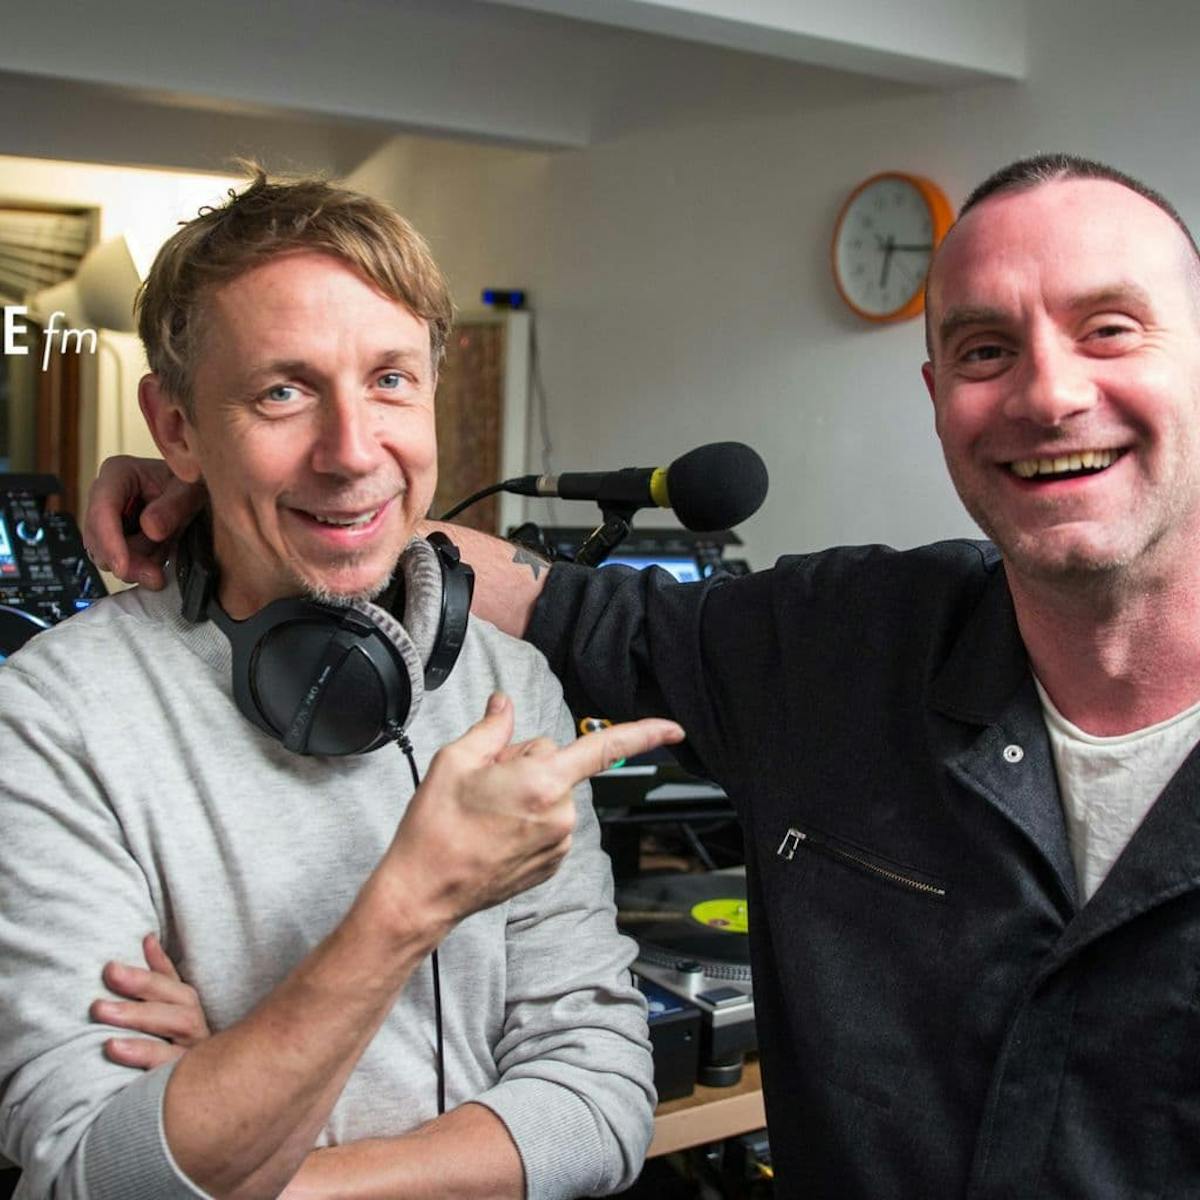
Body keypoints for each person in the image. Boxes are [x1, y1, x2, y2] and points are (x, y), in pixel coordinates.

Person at [84, 152, 1200, 1197]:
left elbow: (595, 1099)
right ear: (937, 392)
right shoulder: (840, 645)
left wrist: (234, 1180)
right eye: (986, 350)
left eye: (1109, 330)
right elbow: (546, 598)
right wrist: (235, 486)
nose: (1049, 395)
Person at [0, 171, 685, 1200]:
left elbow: (600, 1104)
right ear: (177, 428)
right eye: (283, 391)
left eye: (390, 380)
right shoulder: (57, 715)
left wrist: (246, 1157)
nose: (354, 452)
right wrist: (407, 906)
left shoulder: (509, 684)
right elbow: (94, 1172)